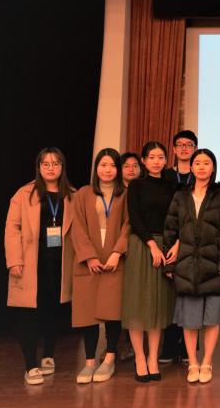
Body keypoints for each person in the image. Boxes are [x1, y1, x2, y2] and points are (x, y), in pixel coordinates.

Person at [164, 148, 220, 383]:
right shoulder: (181, 195)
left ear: (213, 167)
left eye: (207, 163)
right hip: (186, 264)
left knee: (212, 319)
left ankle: (206, 362)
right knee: (190, 319)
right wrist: (169, 263)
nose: (202, 167)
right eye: (198, 163)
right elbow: (171, 229)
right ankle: (193, 363)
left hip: (215, 265)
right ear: (191, 167)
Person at [4, 147, 75, 385]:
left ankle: (48, 355)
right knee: (29, 313)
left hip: (59, 264)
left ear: (62, 167)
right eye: (45, 164)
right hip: (31, 262)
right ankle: (30, 365)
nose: (51, 168)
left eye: (56, 163)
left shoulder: (72, 195)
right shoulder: (24, 193)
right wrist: (14, 260)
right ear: (39, 167)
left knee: (52, 311)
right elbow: (12, 228)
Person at [70, 148, 130, 384]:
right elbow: (77, 227)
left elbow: (129, 225)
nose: (108, 170)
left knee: (113, 312)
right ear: (96, 168)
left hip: (115, 259)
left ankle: (109, 359)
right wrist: (89, 256)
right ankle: (89, 362)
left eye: (113, 166)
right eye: (103, 165)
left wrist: (117, 252)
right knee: (88, 314)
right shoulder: (83, 193)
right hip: (89, 261)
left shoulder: (125, 194)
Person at [122, 141, 177, 382]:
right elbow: (135, 218)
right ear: (143, 161)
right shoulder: (136, 185)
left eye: (160, 157)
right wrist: (152, 245)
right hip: (142, 245)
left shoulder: (172, 185)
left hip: (166, 246)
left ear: (166, 160)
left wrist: (174, 244)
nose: (156, 161)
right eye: (152, 157)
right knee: (138, 303)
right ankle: (139, 358)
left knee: (158, 304)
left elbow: (177, 218)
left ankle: (153, 358)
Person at [160, 130, 198, 363]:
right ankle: (169, 346)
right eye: (180, 145)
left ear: (195, 148)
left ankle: (188, 348)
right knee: (169, 293)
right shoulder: (165, 176)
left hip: (194, 240)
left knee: (191, 293)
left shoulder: (200, 174)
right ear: (173, 149)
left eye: (189, 144)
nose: (184, 148)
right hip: (168, 236)